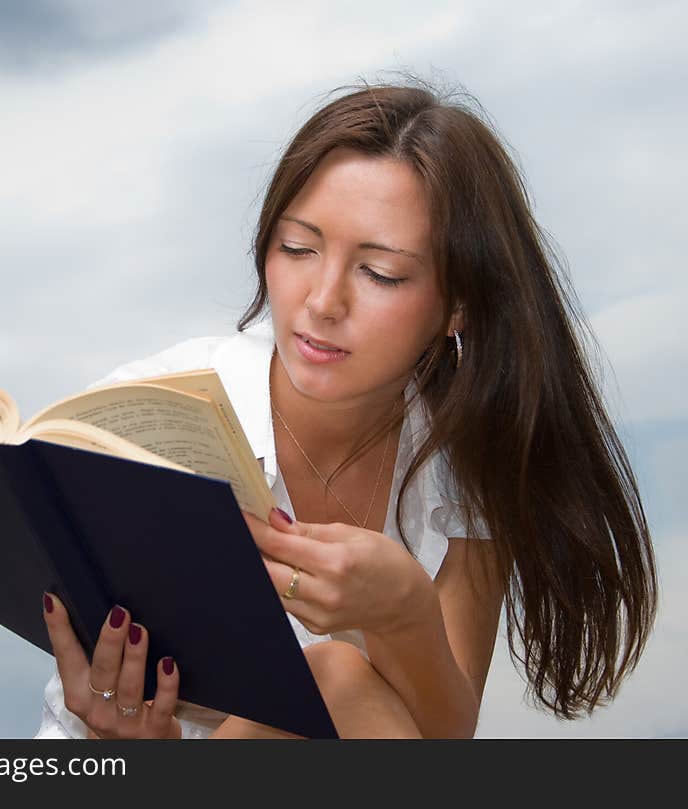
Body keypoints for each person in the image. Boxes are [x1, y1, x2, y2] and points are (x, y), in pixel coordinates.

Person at [34, 81, 658, 739]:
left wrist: (405, 613)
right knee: (334, 682)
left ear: (458, 306)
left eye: (381, 273)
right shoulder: (147, 409)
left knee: (335, 682)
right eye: (299, 248)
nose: (322, 300)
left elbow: (434, 740)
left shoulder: (467, 462)